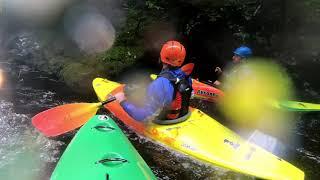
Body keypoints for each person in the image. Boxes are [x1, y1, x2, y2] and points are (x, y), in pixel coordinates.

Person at [114, 40, 193, 123]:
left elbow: (140, 116)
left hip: (166, 121)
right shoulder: (185, 75)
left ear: (161, 57)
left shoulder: (159, 84)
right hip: (183, 115)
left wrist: (123, 101)